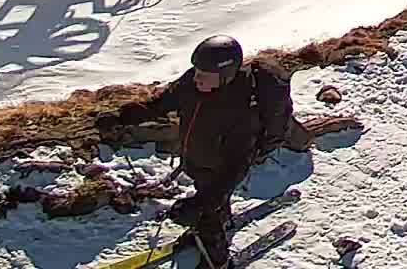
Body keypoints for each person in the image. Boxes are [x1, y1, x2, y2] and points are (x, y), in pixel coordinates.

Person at [105, 35, 297, 267]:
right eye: (196, 71)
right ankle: (220, 217)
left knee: (207, 215)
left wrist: (202, 203)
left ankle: (217, 259)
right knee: (209, 199)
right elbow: (162, 103)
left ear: (225, 75)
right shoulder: (194, 82)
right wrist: (122, 117)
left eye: (204, 74)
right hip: (195, 158)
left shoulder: (241, 109)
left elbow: (235, 166)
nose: (196, 77)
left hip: (219, 171)